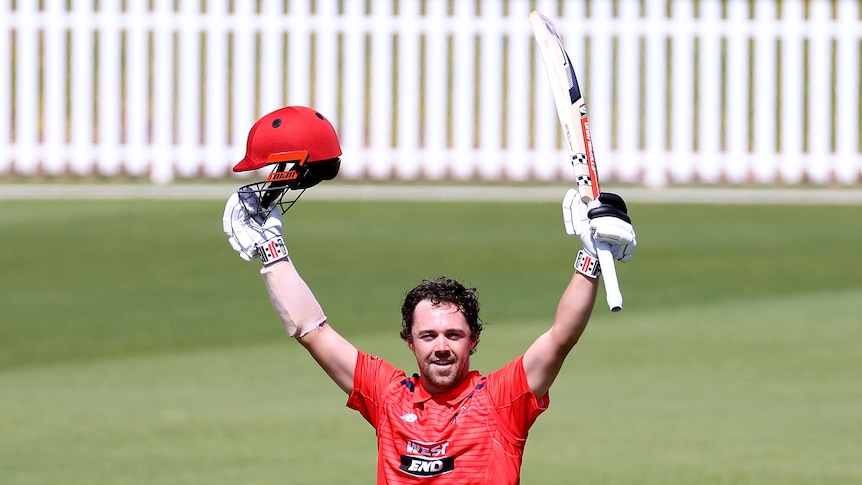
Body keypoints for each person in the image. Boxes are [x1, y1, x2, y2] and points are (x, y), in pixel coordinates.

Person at [222, 106, 637, 484]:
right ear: (409, 340)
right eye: (429, 336)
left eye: (453, 335)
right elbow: (311, 329)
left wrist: (590, 258)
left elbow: (562, 335)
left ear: (473, 339)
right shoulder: (388, 396)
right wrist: (272, 252)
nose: (441, 347)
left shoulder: (500, 402)